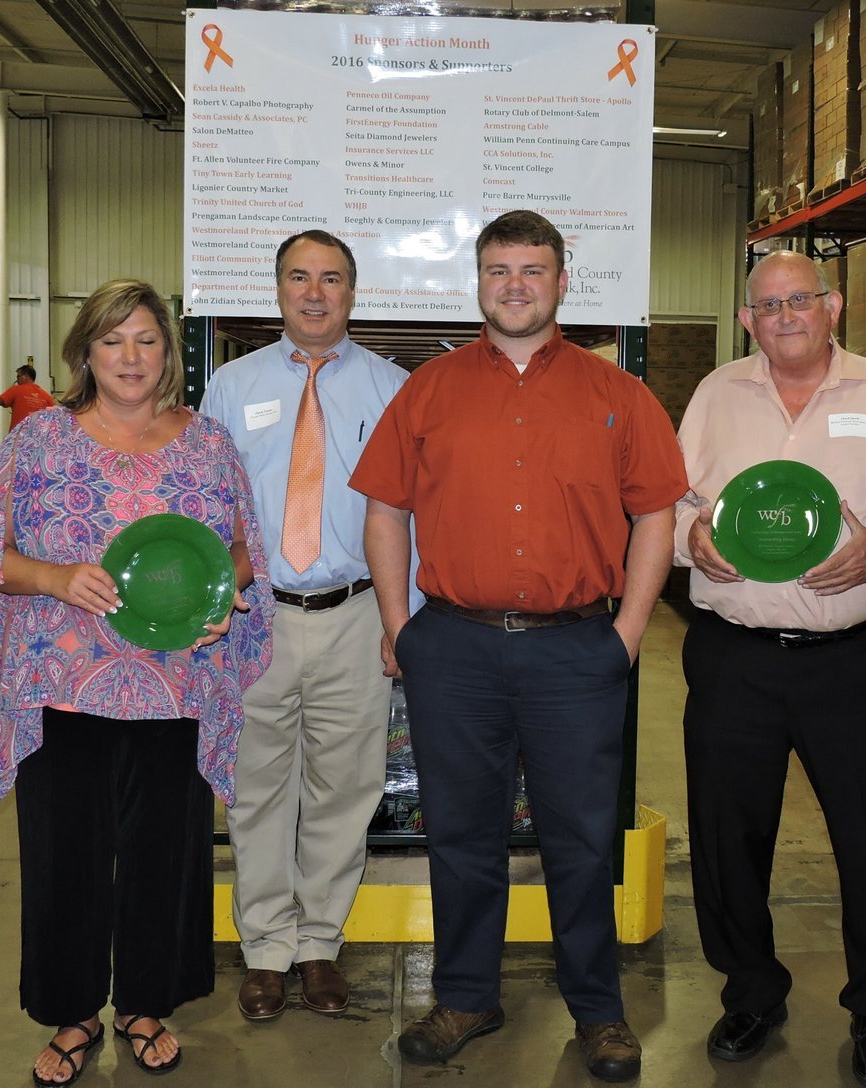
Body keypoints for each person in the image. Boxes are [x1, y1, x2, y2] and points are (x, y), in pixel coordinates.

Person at [351, 210, 688, 1083]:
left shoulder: (618, 396)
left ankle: (599, 1010)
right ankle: (467, 994)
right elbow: (385, 507)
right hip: (453, 648)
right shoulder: (428, 389)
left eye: (531, 270)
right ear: (478, 281)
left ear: (562, 281)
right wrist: (399, 627)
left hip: (576, 650)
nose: (514, 286)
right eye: (498, 270)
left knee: (582, 837)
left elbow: (658, 511)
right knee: (461, 834)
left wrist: (626, 633)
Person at [0, 279, 276, 1086]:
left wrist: (218, 598)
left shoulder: (208, 445)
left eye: (146, 340)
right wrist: (58, 577)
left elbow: (243, 550)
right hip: (62, 680)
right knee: (66, 853)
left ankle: (143, 1003)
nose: (130, 357)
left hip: (174, 681)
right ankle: (70, 1014)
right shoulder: (38, 444)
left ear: (168, 351)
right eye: (112, 340)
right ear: (85, 353)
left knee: (165, 849)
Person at [673, 251, 866, 1083]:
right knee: (726, 836)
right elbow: (672, 504)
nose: (784, 315)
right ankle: (750, 990)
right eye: (767, 305)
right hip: (734, 657)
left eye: (801, 300)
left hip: (855, 662)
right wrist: (693, 540)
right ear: (747, 318)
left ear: (834, 306)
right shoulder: (716, 394)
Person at [203, 230, 411, 1022]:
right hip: (255, 620)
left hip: (357, 615)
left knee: (343, 788)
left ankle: (320, 943)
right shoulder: (230, 385)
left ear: (353, 293)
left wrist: (404, 622)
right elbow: (209, 504)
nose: (315, 293)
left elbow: (411, 518)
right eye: (299, 277)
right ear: (278, 289)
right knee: (255, 792)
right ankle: (265, 949)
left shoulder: (394, 389)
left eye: (331, 279)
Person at [0, 364, 57, 429]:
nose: (17, 379)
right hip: (40, 439)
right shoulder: (46, 396)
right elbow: (54, 418)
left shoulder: (17, 390)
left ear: (25, 376)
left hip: (19, 437)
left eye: (18, 376)